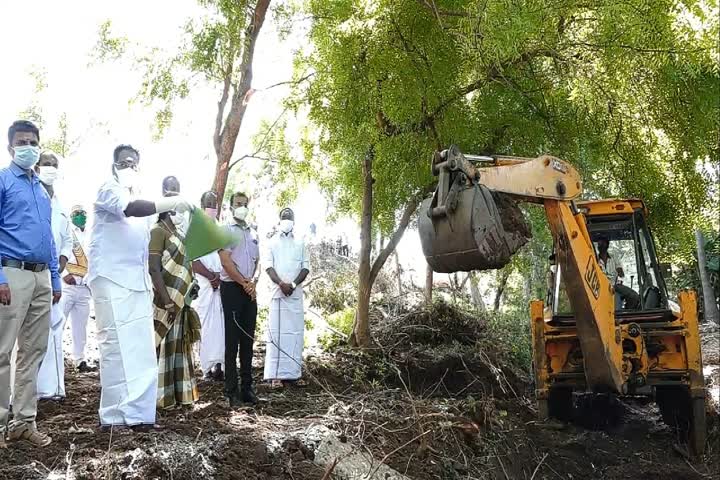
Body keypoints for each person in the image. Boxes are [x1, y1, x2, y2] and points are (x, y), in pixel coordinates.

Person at [87, 144, 192, 428]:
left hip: (136, 282)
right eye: (124, 162)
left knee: (139, 349)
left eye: (134, 163)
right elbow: (130, 209)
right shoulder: (108, 188)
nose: (129, 167)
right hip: (110, 278)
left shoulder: (140, 197)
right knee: (115, 348)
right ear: (113, 165)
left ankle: (139, 416)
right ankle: (113, 418)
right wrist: (169, 203)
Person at [0, 120, 61, 447]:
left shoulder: (41, 188)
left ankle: (24, 422)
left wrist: (53, 277)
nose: (29, 147)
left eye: (33, 142)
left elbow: (48, 238)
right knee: (2, 351)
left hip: (40, 278)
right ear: (11, 148)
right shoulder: (3, 181)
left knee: (33, 351)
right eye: (22, 142)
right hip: (11, 273)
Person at [149, 176, 201, 409]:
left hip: (181, 301)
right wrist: (167, 300)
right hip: (165, 301)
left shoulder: (180, 233)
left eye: (178, 194)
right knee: (162, 348)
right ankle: (162, 398)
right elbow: (154, 268)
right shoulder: (157, 231)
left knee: (179, 346)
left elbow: (186, 266)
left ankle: (180, 395)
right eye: (170, 194)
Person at [35, 151, 73, 400]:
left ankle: (53, 388)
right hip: (32, 272)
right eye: (46, 164)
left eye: (54, 164)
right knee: (31, 333)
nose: (50, 168)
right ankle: (30, 390)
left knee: (55, 327)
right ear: (37, 167)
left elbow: (67, 241)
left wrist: (59, 264)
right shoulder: (31, 194)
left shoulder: (61, 205)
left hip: (53, 276)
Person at [218, 192, 260, 406]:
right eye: (238, 204)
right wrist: (244, 282)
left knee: (248, 340)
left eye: (244, 204)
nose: (241, 207)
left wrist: (253, 283)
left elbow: (257, 261)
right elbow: (225, 262)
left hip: (249, 291)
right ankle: (230, 390)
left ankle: (247, 388)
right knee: (232, 341)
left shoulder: (253, 232)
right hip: (232, 289)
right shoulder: (225, 231)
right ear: (231, 206)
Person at [263, 208, 310, 388]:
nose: (287, 219)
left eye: (290, 216)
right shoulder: (271, 242)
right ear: (279, 219)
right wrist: (281, 283)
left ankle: (293, 375)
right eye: (284, 216)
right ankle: (275, 376)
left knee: (295, 335)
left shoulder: (300, 242)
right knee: (277, 334)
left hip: (294, 295)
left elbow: (305, 268)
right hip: (278, 294)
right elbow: (268, 266)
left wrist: (292, 284)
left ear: (294, 221)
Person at [192, 191, 225, 381]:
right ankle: (207, 367)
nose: (211, 206)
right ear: (201, 205)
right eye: (208, 203)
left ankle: (219, 364)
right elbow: (193, 261)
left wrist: (219, 277)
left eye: (214, 203)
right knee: (205, 325)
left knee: (220, 326)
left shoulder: (220, 229)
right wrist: (211, 277)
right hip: (204, 283)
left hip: (221, 283)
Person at [63, 204, 93, 372]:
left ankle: (79, 360)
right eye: (76, 213)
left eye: (83, 213)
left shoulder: (91, 235)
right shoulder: (68, 233)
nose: (80, 215)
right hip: (67, 286)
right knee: (58, 322)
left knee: (80, 326)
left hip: (84, 288)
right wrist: (63, 276)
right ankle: (53, 360)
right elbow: (60, 252)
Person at [597, 238, 640, 310]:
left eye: (602, 245)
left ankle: (628, 311)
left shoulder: (614, 257)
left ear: (607, 246)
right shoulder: (595, 259)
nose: (600, 247)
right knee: (615, 303)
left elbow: (621, 274)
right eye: (599, 245)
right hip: (600, 286)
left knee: (634, 296)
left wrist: (619, 274)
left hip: (615, 285)